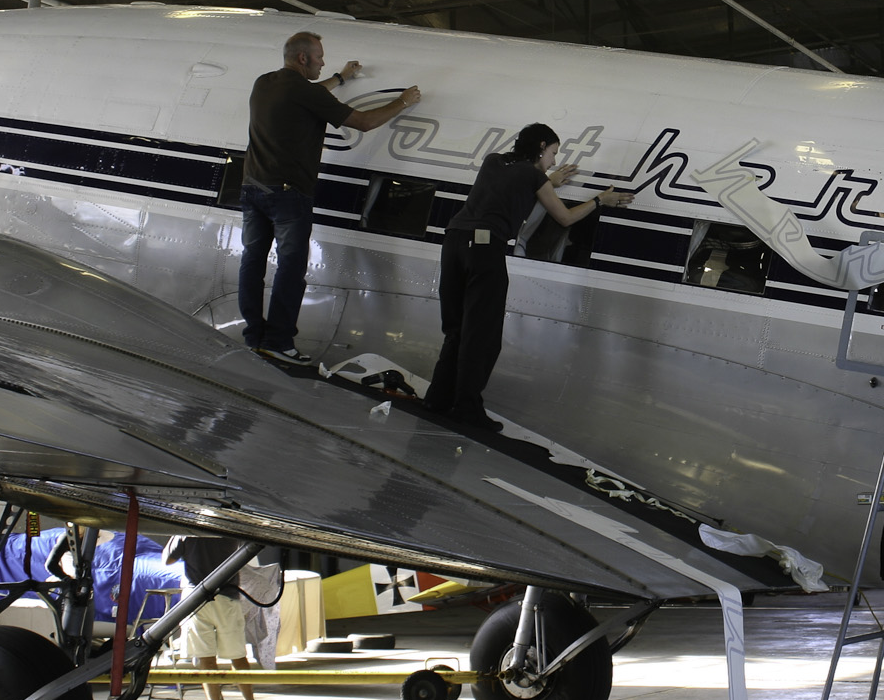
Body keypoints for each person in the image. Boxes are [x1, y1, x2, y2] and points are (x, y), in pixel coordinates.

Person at [425, 122, 635, 429]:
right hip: (485, 250)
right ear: (540, 146)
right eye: (552, 152)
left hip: (454, 241)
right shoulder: (534, 175)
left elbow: (511, 184)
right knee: (481, 336)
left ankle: (436, 399)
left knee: (455, 328)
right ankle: (466, 409)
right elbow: (564, 218)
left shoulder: (494, 161)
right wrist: (599, 200)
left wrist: (548, 180)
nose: (553, 160)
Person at [238, 31, 421, 366]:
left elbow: (309, 95)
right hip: (287, 196)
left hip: (252, 188)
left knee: (252, 261)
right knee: (291, 269)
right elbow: (364, 122)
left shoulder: (264, 83)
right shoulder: (304, 92)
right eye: (320, 57)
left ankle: (254, 336)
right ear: (303, 58)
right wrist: (403, 102)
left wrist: (340, 78)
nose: (323, 62)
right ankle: (278, 341)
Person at [161, 536, 266, 700]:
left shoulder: (186, 533)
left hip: (196, 598)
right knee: (238, 655)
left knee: (205, 657)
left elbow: (167, 559)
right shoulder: (225, 531)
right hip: (227, 596)